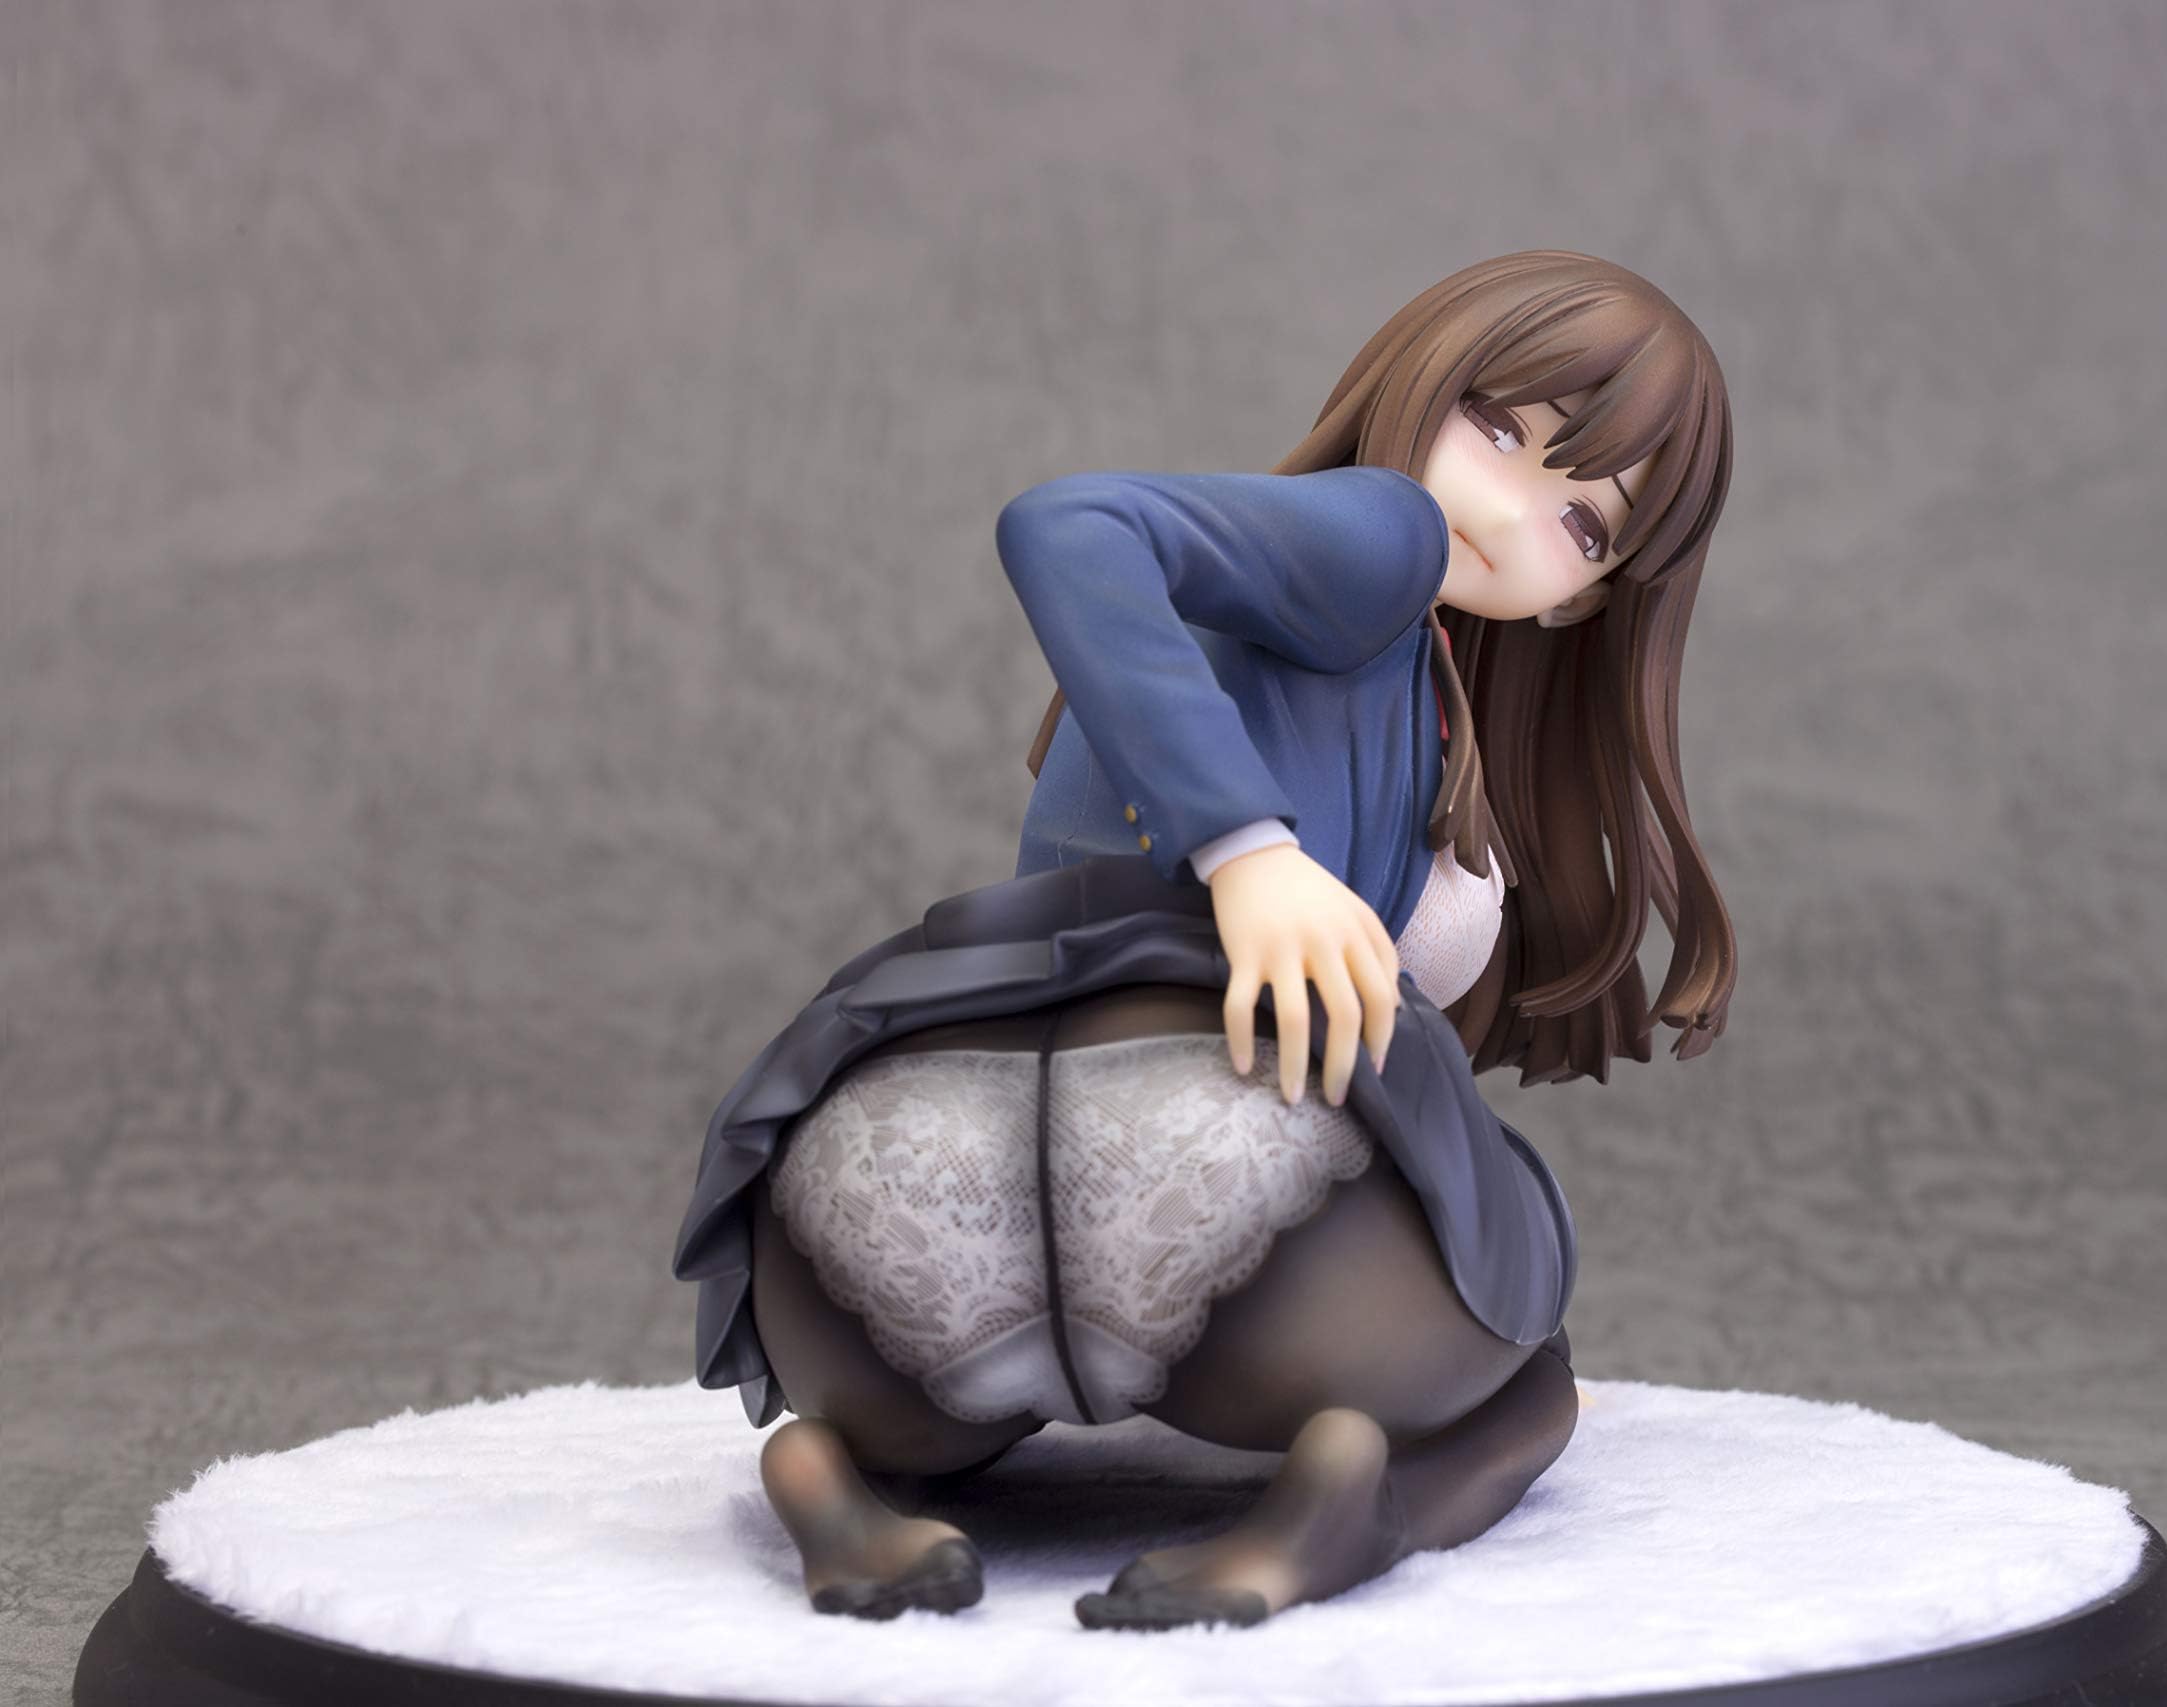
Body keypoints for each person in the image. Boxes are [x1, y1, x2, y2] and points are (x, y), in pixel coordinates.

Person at [672, 249, 1738, 1631]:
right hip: (1201, 1146)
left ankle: (830, 1467)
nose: (1500, 506)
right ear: (1413, 379)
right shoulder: (1381, 536)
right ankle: (1361, 1496)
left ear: (1580, 601)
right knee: (1528, 1352)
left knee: (907, 1412)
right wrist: (1250, 854)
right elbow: (1068, 524)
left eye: (1581, 522)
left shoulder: (1396, 661)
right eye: (1493, 427)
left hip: (908, 1159)